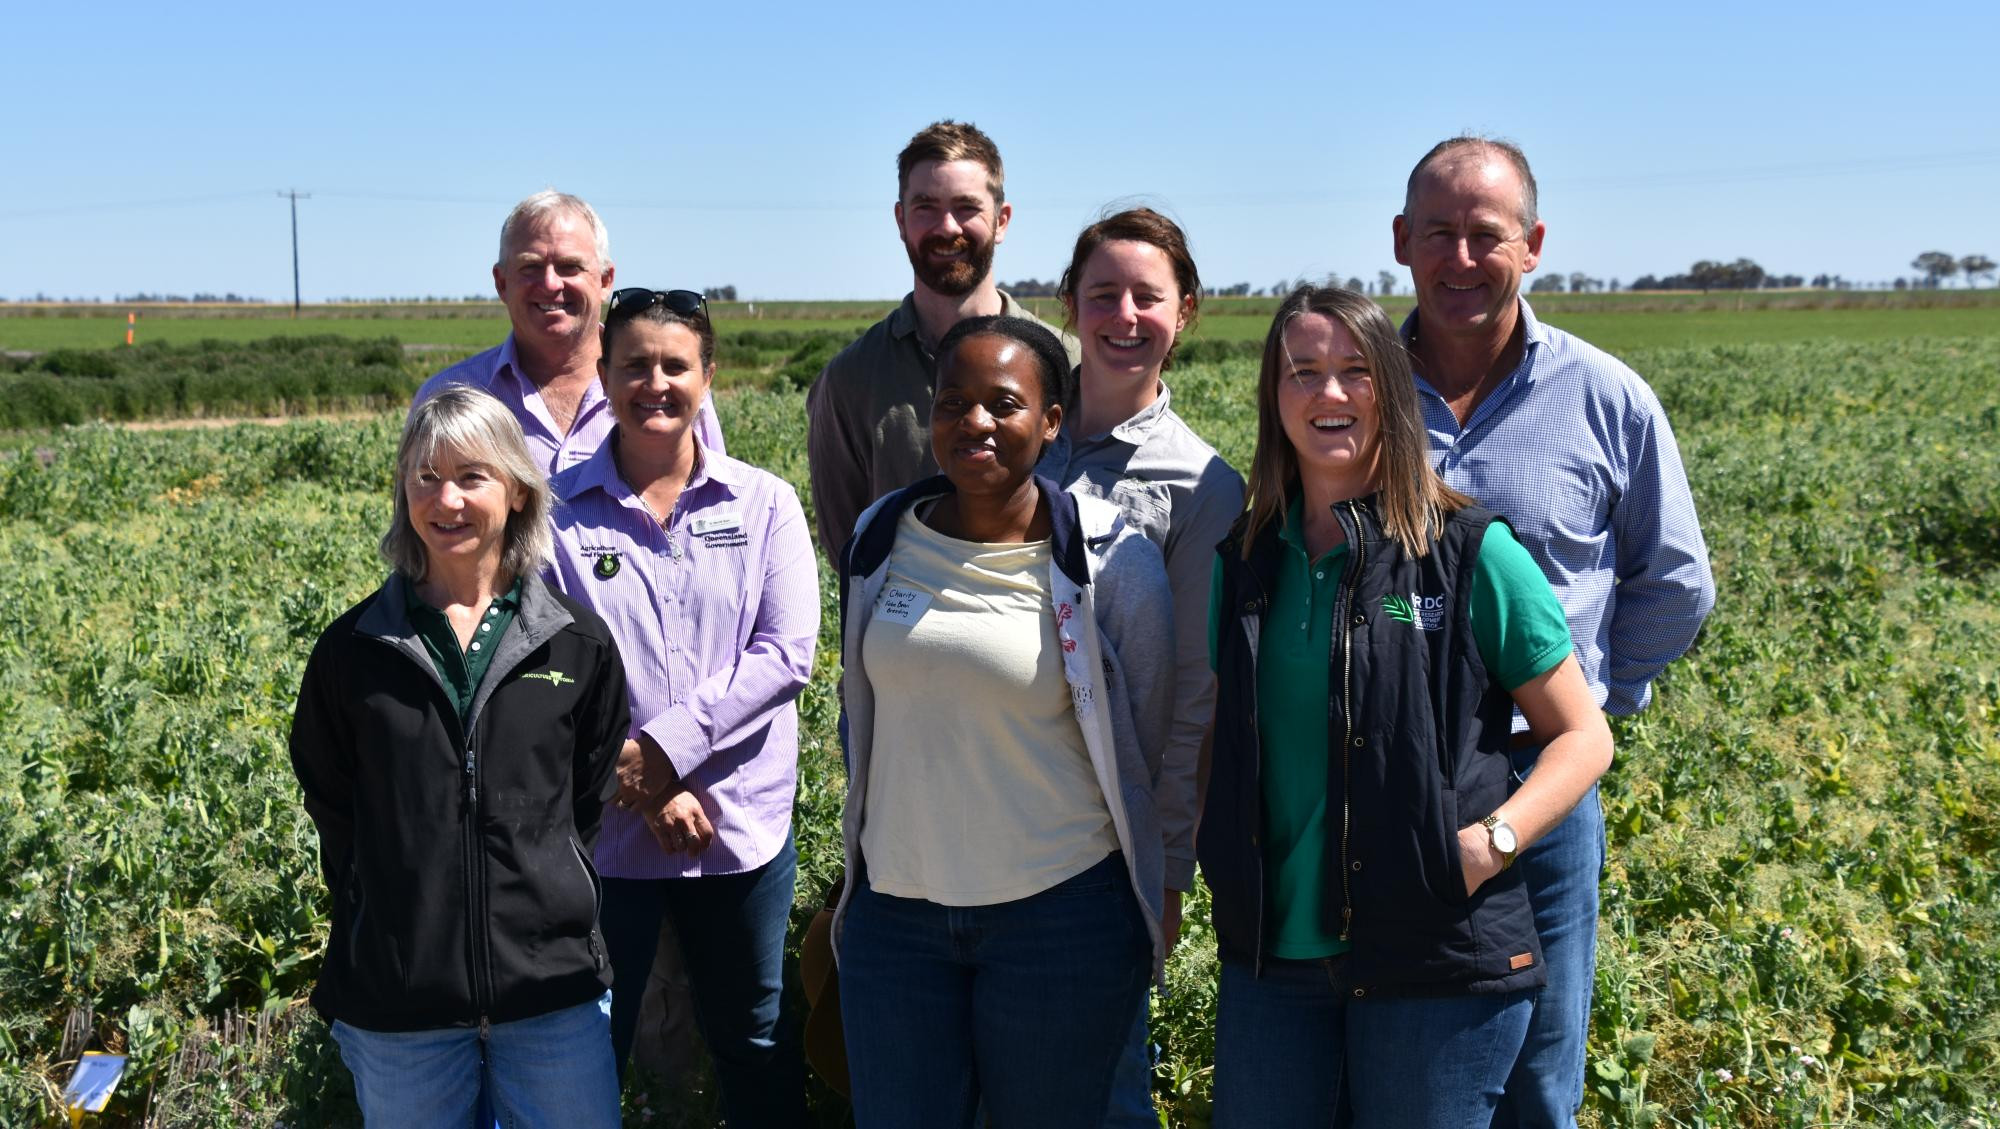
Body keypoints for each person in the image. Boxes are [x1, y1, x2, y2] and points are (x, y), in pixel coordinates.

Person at [1199, 287, 1616, 1127]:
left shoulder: (1467, 553)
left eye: (1355, 372)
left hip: (1431, 951)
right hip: (1272, 955)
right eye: (1303, 372)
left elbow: (1583, 734)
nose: (1329, 394)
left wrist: (1490, 841)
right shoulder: (1245, 558)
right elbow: (1226, 737)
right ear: (1273, 396)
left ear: (1391, 390)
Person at [1392, 136, 1715, 1127]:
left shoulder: (1604, 397)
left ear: (1530, 245)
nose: (1458, 257)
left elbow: (1674, 580)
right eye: (1436, 233)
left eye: (1483, 234)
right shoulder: (1351, 388)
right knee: (1393, 1066)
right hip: (1385, 786)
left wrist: (1591, 703)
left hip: (1542, 789)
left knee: (1537, 1074)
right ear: (1399, 241)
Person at [832, 315, 1174, 1128]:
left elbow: (1144, 732)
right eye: (953, 402)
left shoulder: (1106, 557)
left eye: (1003, 403)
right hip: (897, 917)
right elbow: (862, 708)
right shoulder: (879, 537)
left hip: (1058, 917)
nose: (974, 422)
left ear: (1051, 422)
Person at [289, 386, 629, 1128]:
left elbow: (583, 801)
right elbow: (332, 802)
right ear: (403, 490)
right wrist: (393, 917)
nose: (447, 498)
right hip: (401, 1004)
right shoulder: (354, 652)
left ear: (516, 489)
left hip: (551, 997)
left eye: (471, 475)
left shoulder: (576, 643)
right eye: (425, 476)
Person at [546, 287, 818, 1127]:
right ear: (604, 373)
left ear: (708, 376)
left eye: (675, 365)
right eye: (634, 365)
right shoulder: (554, 514)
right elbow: (546, 672)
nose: (654, 383)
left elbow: (784, 655)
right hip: (607, 834)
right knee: (591, 1040)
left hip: (739, 826)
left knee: (755, 1038)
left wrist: (665, 748)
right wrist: (649, 781)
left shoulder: (765, 503)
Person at [1037, 207, 1244, 1125]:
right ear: (1069, 306)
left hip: (1098, 838)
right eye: (1102, 294)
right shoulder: (1006, 423)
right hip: (972, 806)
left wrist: (1165, 872)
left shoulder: (1200, 485)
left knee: (1097, 1082)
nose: (1125, 315)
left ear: (1186, 311)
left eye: (1147, 297)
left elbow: (1196, 696)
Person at [806, 119, 1074, 558]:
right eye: (926, 207)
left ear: (1001, 220)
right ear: (900, 219)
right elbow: (846, 549)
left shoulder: (1067, 362)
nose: (947, 227)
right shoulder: (851, 379)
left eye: (966, 207)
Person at [414, 189, 723, 476]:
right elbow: (422, 520)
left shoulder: (670, 391)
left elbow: (712, 503)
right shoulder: (450, 395)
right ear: (502, 283)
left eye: (569, 266)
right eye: (530, 267)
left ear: (605, 280)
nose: (550, 284)